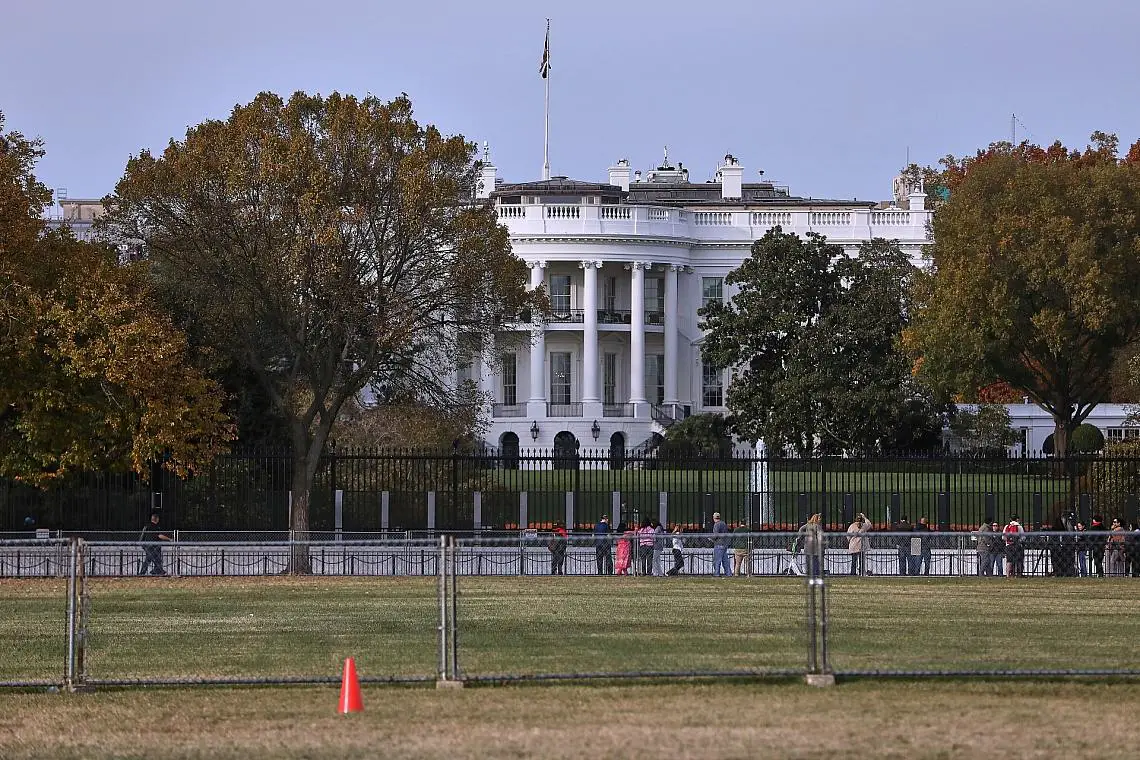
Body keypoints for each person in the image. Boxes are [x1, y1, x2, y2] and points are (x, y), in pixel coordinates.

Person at [797, 513, 824, 577]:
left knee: (809, 560)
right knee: (816, 560)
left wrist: (799, 537)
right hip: (815, 546)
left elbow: (801, 529)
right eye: (819, 518)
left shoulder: (808, 525)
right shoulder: (818, 526)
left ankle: (809, 573)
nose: (820, 520)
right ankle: (816, 573)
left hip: (807, 546)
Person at [711, 512, 732, 577]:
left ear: (714, 518)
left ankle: (716, 573)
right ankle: (728, 573)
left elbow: (715, 535)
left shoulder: (716, 524)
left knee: (717, 560)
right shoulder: (723, 523)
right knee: (725, 560)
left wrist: (711, 538)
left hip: (718, 544)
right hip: (724, 544)